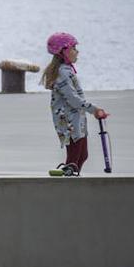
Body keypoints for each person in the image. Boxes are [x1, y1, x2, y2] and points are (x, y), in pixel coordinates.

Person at [42, 32, 109, 177]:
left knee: (82, 155)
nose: (77, 51)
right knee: (74, 158)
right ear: (63, 51)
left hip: (77, 120)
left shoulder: (66, 71)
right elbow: (73, 98)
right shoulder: (62, 74)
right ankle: (68, 177)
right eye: (74, 48)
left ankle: (71, 176)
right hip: (69, 122)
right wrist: (94, 109)